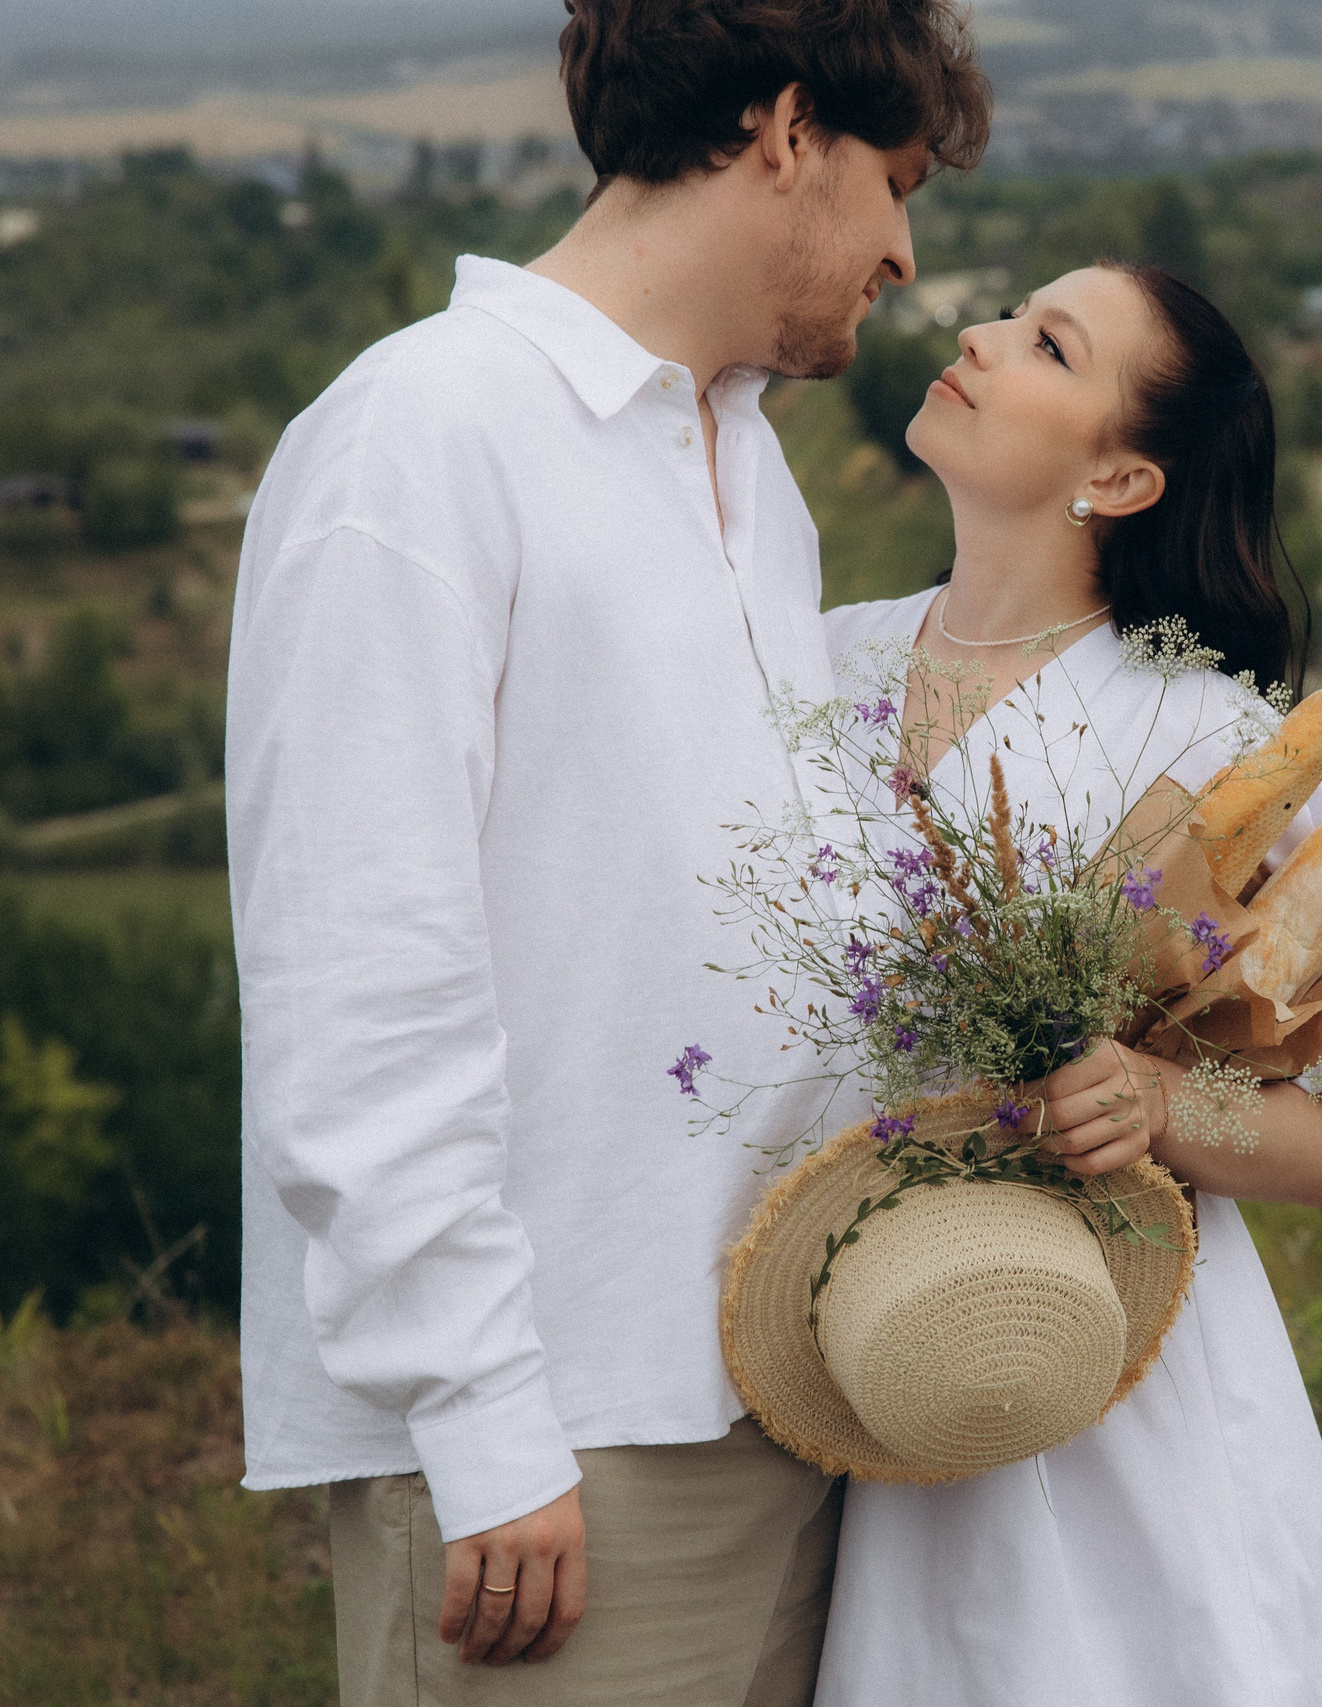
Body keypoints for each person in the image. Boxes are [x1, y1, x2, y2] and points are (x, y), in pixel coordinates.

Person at [222, 5, 987, 1702]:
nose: (904, 249)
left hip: (775, 1400)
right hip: (552, 1450)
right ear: (785, 130)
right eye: (895, 179)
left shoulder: (745, 469)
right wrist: (491, 1422)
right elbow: (360, 972)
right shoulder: (424, 434)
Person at [815, 264, 1322, 1707]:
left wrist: (1152, 1097)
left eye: (1045, 345)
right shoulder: (819, 664)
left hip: (1119, 1381)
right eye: (1008, 318)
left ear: (1123, 474)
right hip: (852, 1345)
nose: (978, 336)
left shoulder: (1220, 744)